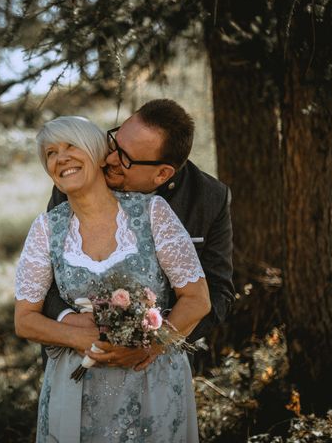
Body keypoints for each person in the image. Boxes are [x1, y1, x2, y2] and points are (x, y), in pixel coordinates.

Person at [14, 115, 211, 442]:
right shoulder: (46, 229)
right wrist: (79, 337)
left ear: (96, 152)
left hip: (153, 380)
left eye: (70, 146)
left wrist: (150, 348)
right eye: (50, 153)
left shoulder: (152, 212)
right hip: (77, 387)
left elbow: (197, 299)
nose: (60, 157)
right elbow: (25, 320)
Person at [42, 99, 234, 370]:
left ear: (162, 174)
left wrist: (152, 341)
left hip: (158, 364)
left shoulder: (208, 199)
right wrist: (68, 321)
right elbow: (42, 277)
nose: (108, 159)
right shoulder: (80, 178)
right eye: (115, 143)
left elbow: (218, 294)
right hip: (77, 359)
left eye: (125, 158)